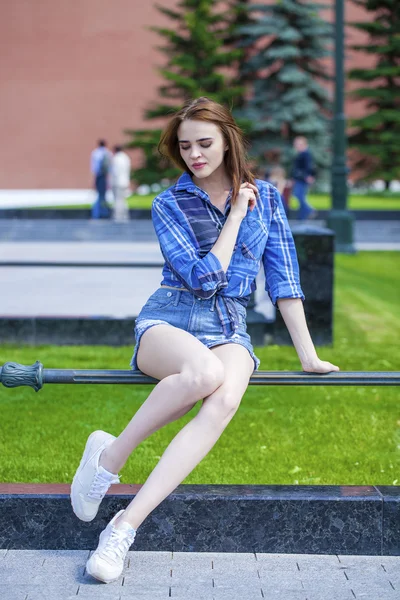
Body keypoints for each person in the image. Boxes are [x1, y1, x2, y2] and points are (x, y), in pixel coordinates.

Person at [71, 97, 339, 584]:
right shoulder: (167, 203)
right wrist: (235, 217)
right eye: (185, 145)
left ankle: (123, 527)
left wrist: (308, 354)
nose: (194, 154)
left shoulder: (270, 198)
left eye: (205, 143)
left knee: (223, 399)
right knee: (205, 374)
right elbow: (200, 279)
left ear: (228, 140)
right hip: (170, 319)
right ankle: (110, 459)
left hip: (231, 326)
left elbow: (284, 279)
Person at [290, 136, 316, 221]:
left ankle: (309, 210)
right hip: (300, 178)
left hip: (302, 178)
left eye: (299, 144)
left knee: (298, 195)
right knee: (300, 195)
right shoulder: (302, 154)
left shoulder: (305, 154)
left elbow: (308, 167)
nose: (297, 146)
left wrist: (308, 176)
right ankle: (302, 217)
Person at [90, 139, 112, 219]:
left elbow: (95, 168)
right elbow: (110, 168)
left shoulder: (95, 153)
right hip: (105, 176)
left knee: (99, 195)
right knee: (103, 195)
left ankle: (96, 214)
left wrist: (94, 181)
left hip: (99, 176)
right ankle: (104, 213)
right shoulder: (108, 153)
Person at [111, 145, 131, 222]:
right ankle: (125, 216)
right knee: (123, 199)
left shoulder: (116, 158)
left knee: (118, 200)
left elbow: (115, 172)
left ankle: (118, 216)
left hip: (117, 182)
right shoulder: (126, 158)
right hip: (125, 181)